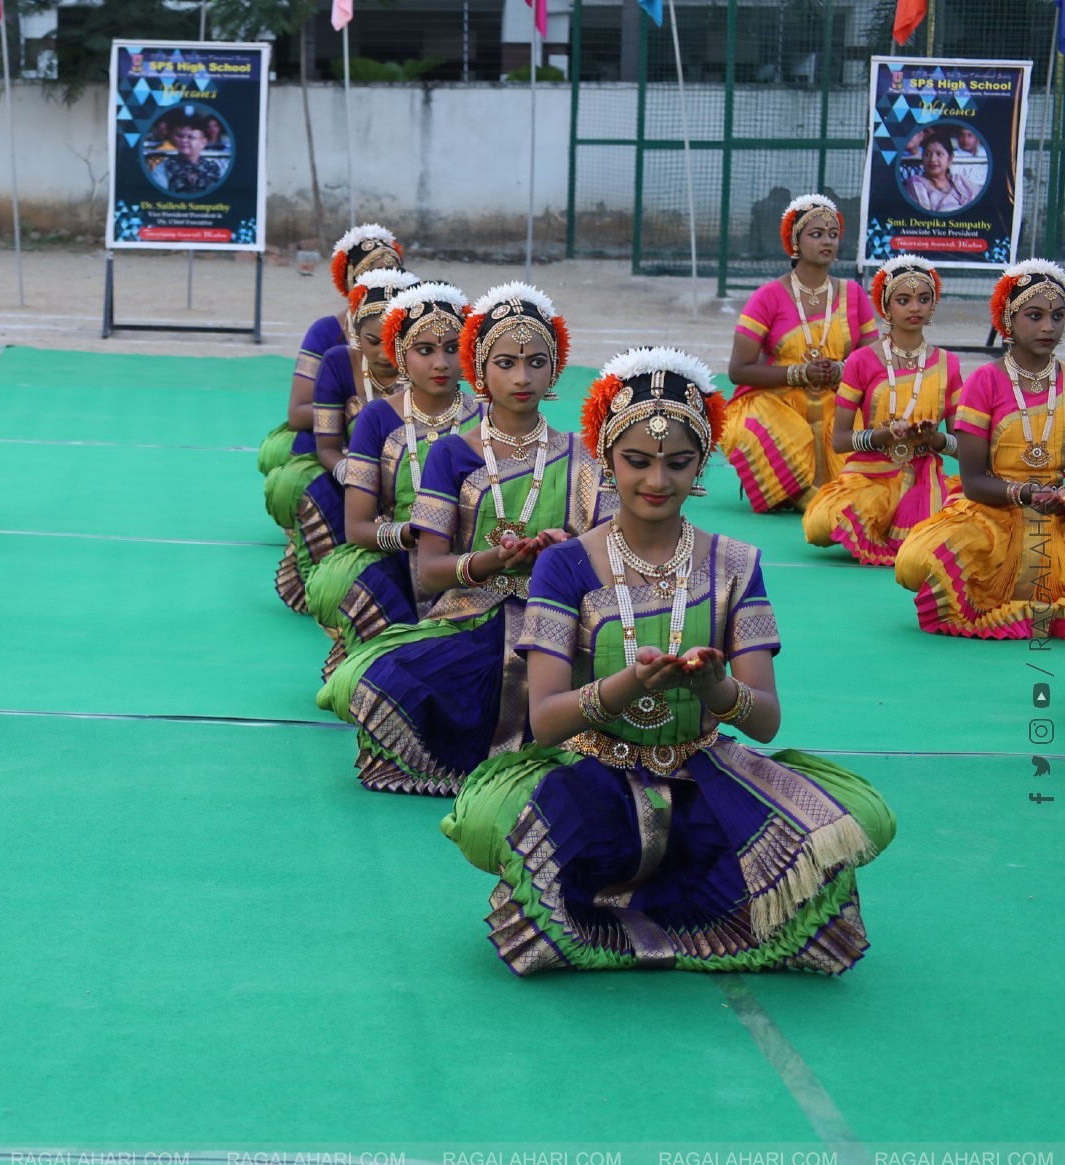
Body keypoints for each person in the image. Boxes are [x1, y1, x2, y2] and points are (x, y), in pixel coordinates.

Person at [441, 347, 894, 975]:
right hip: (597, 776)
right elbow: (543, 720)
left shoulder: (735, 563)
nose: (657, 481)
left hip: (702, 775)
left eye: (677, 463)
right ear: (607, 457)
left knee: (843, 835)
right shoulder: (564, 565)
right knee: (521, 850)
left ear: (700, 464)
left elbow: (766, 722)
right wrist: (625, 685)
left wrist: (717, 689)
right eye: (638, 461)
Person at [318, 282, 613, 793]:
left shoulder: (583, 455)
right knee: (377, 683)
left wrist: (563, 550)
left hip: (560, 621)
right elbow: (431, 571)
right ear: (481, 367)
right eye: (506, 363)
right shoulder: (451, 453)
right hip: (473, 611)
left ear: (556, 368)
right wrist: (492, 560)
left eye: (536, 362)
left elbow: (610, 558)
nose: (522, 377)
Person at [306, 281, 482, 667]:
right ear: (401, 352)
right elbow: (356, 527)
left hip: (466, 569)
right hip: (395, 560)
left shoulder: (486, 418)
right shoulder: (377, 417)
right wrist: (410, 534)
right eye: (425, 350)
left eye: (453, 348)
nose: (441, 363)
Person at [896, 258, 1065, 639]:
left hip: (1057, 519)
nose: (1048, 327)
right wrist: (1025, 493)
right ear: (1008, 320)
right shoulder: (985, 381)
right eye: (1035, 316)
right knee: (915, 560)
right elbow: (972, 481)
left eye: (1057, 316)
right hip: (994, 514)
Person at [720, 194, 878, 513]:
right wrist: (799, 373)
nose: (827, 241)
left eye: (833, 234)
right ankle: (790, 485)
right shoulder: (768, 297)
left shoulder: (854, 295)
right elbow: (738, 370)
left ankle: (816, 488)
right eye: (816, 234)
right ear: (794, 242)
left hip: (836, 402)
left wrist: (841, 370)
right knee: (755, 423)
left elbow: (873, 361)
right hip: (779, 402)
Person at [802, 254, 962, 565]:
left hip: (925, 477)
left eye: (923, 299)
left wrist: (936, 440)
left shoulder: (948, 364)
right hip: (870, 474)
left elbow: (964, 447)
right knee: (820, 524)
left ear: (933, 305)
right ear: (886, 306)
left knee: (946, 532)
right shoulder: (862, 361)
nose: (915, 308)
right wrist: (883, 435)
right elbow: (840, 441)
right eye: (903, 300)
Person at [259, 224, 403, 564]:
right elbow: (297, 412)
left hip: (401, 449)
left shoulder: (413, 339)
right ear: (350, 281)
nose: (381, 280)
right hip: (336, 441)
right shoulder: (329, 335)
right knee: (285, 466)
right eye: (370, 273)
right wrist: (359, 418)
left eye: (392, 271)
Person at [280, 267, 418, 615]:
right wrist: (351, 472)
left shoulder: (426, 369)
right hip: (349, 476)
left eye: (395, 342)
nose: (385, 354)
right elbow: (326, 446)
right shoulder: (338, 362)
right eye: (373, 341)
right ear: (356, 333)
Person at [903, 128, 980, 214]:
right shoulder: (916, 182)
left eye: (939, 154)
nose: (932, 159)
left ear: (950, 159)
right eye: (927, 154)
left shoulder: (959, 180)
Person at [151, 110, 228, 194]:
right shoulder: (163, 168)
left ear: (203, 143)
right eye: (181, 136)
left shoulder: (216, 168)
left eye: (190, 137)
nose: (184, 140)